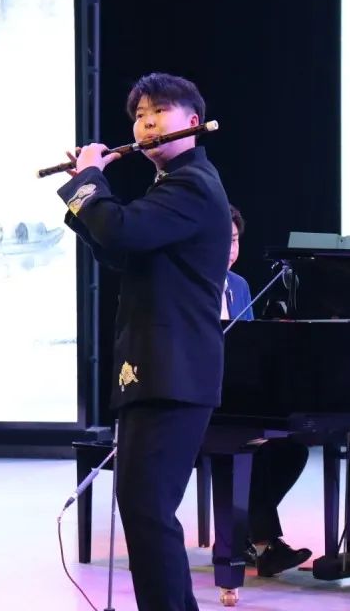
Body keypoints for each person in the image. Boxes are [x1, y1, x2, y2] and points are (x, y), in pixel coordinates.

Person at [56, 72, 231, 611]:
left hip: (174, 370)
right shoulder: (171, 185)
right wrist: (85, 192)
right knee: (143, 508)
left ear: (193, 122)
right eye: (139, 115)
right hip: (156, 369)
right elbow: (121, 248)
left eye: (159, 112)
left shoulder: (192, 184)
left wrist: (89, 180)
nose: (147, 123)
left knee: (147, 509)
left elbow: (123, 229)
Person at [223, 204, 313, 577]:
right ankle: (264, 543)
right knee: (250, 449)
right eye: (221, 240)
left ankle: (254, 538)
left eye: (234, 240)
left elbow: (247, 351)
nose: (229, 249)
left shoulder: (239, 285)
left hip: (235, 396)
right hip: (199, 400)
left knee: (293, 450)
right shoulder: (187, 285)